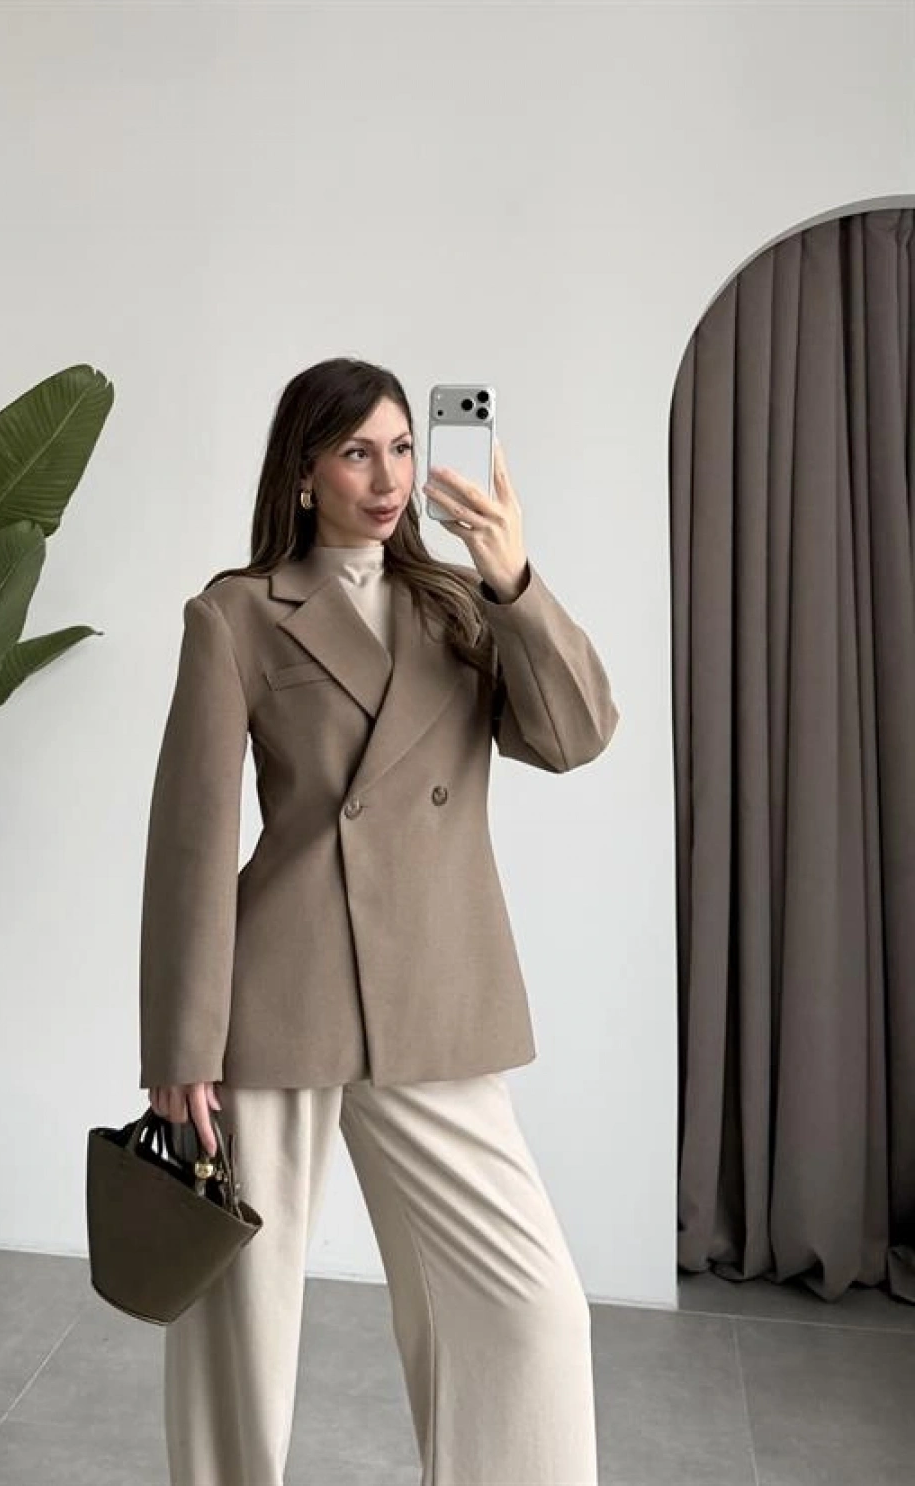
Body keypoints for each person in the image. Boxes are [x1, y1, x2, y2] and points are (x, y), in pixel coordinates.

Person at [139, 357, 618, 1486]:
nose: (390, 476)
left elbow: (575, 734)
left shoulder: (458, 603)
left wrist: (512, 575)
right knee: (241, 1320)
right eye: (358, 452)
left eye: (403, 448)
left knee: (534, 1307)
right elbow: (193, 843)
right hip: (281, 999)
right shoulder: (237, 613)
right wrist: (179, 1047)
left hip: (434, 1001)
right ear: (305, 473)